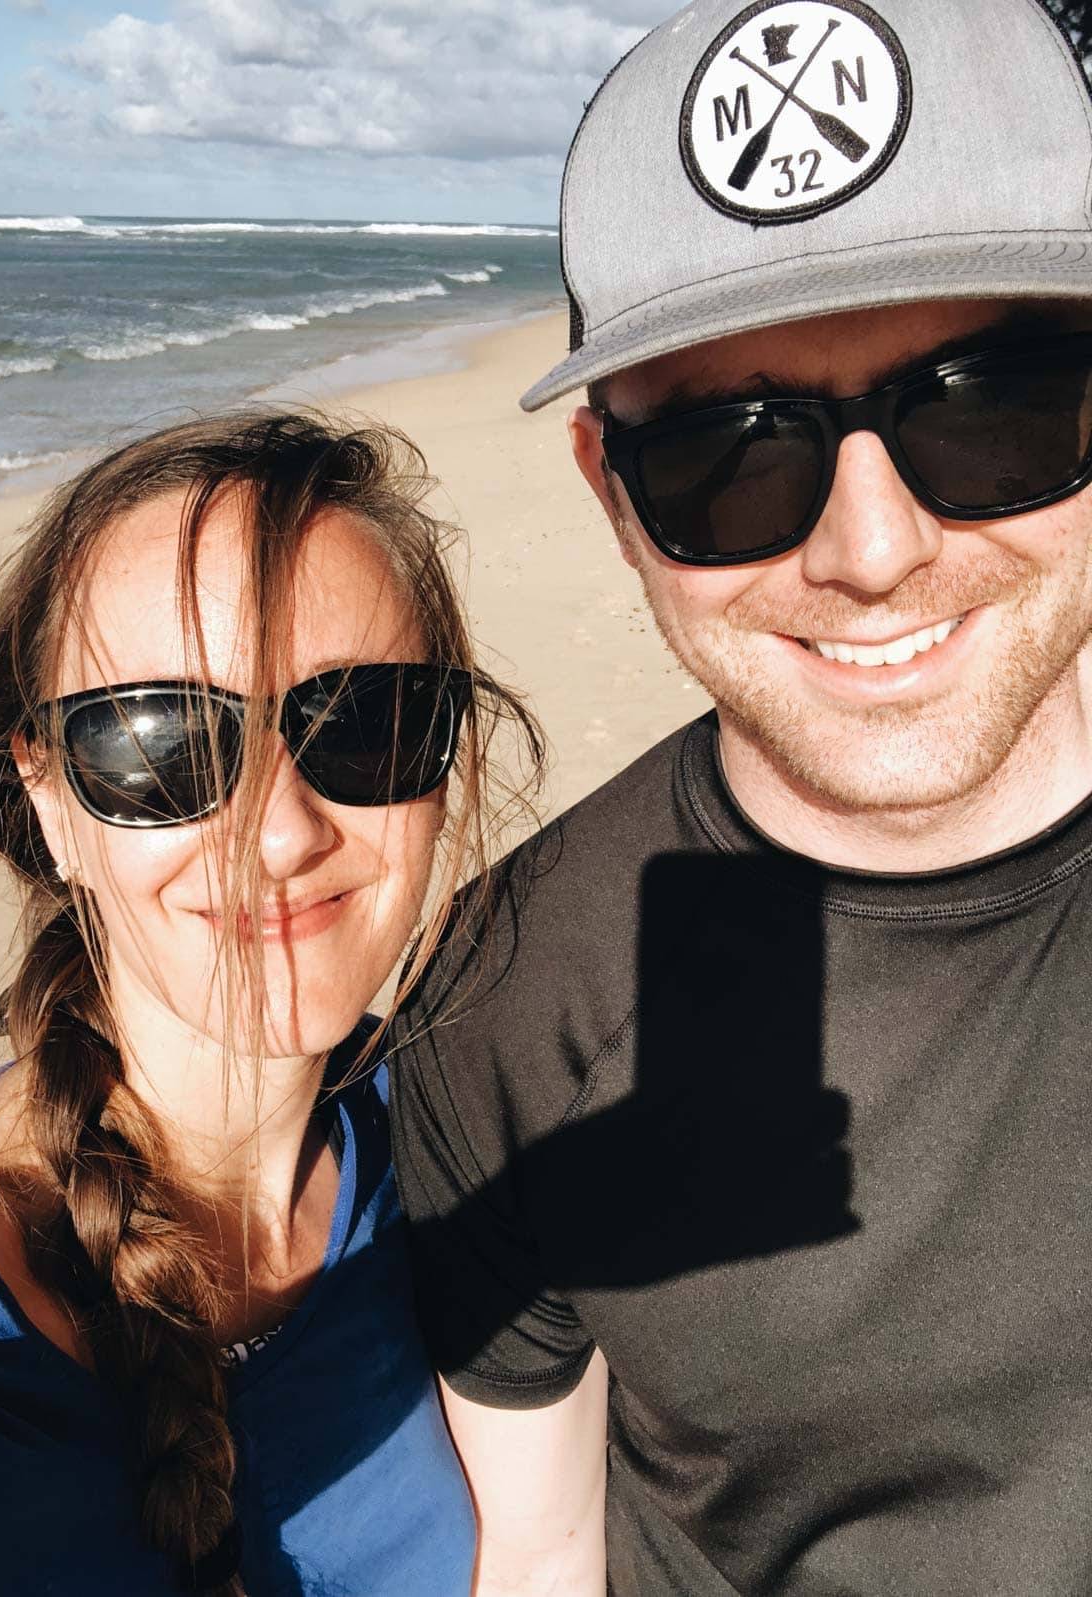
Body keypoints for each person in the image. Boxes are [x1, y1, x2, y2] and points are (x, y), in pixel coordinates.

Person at [387, 2, 1092, 1593]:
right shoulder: (511, 1006)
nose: (873, 550)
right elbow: (539, 1549)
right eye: (734, 456)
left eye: (988, 408)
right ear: (611, 495)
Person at [0, 412, 541, 1596]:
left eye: (365, 725)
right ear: (47, 797)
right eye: (162, 745)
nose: (281, 834)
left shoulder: (458, 1123)